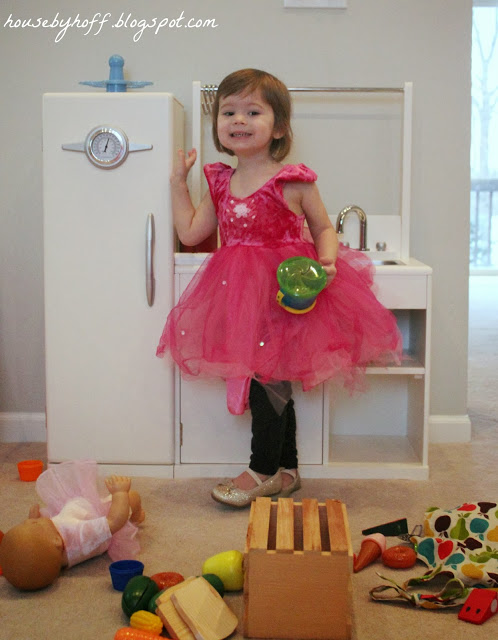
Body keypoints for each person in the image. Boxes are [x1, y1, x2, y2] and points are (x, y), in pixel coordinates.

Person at [156, 68, 402, 507]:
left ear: (280, 126)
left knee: (267, 380)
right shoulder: (218, 181)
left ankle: (261, 469)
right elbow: (192, 231)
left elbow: (324, 227)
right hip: (238, 293)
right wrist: (178, 182)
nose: (239, 120)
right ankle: (285, 471)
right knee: (270, 379)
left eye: (253, 111)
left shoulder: (294, 180)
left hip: (287, 294)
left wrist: (327, 260)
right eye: (229, 111)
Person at [0, 460, 144, 590]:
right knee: (132, 497)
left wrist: (34, 523)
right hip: (99, 515)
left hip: (74, 512)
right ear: (56, 540)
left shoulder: (51, 548)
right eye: (34, 523)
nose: (27, 521)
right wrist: (120, 493)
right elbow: (114, 521)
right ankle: (137, 515)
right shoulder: (80, 536)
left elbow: (35, 544)